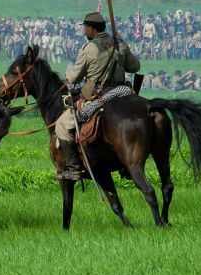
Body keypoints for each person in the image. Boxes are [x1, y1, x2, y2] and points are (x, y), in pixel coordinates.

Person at [54, 12, 140, 181]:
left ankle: (73, 169)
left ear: (92, 29)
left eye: (86, 28)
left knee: (62, 125)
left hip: (98, 96)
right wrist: (120, 49)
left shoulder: (89, 48)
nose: (85, 31)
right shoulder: (119, 44)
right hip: (122, 93)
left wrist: (67, 79)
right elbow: (135, 67)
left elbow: (74, 77)